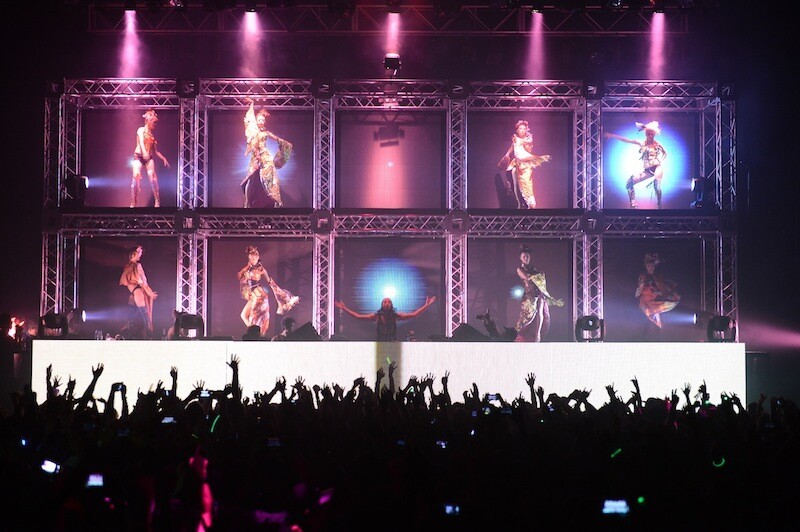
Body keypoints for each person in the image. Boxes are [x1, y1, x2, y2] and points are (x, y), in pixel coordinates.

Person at [241, 97, 293, 208]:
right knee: (250, 179)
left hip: (265, 157)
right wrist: (252, 103)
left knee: (271, 179)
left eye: (263, 120)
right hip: (256, 158)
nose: (261, 121)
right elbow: (250, 119)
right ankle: (247, 203)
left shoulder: (266, 133)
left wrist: (284, 144)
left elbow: (277, 139)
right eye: (259, 120)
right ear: (256, 121)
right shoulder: (254, 132)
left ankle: (276, 201)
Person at [237, 245, 300, 338]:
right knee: (243, 315)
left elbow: (270, 281)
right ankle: (255, 333)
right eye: (250, 258)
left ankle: (257, 334)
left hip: (260, 296)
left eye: (254, 258)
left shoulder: (261, 269)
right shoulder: (248, 268)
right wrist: (246, 268)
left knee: (256, 319)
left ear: (258, 258)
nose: (252, 260)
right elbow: (240, 277)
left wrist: (280, 294)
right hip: (254, 296)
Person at [605, 120, 667, 209]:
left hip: (657, 167)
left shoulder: (657, 144)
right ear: (646, 134)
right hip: (648, 170)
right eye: (649, 134)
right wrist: (613, 136)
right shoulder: (642, 143)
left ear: (654, 134)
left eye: (652, 134)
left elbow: (665, 153)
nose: (650, 136)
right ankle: (633, 204)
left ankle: (659, 205)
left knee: (656, 185)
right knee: (629, 182)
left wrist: (660, 160)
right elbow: (627, 140)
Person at [497, 120, 551, 209]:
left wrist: (524, 142)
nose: (522, 130)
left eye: (524, 129)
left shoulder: (528, 140)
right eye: (520, 129)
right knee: (514, 182)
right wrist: (505, 157)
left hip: (525, 166)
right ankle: (519, 204)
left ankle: (530, 204)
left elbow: (527, 151)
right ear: (517, 130)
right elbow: (511, 149)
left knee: (526, 184)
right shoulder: (515, 139)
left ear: (526, 130)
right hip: (516, 164)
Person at [515, 245, 564, 342]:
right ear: (520, 258)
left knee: (540, 313)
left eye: (527, 256)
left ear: (530, 257)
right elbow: (527, 278)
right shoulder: (520, 269)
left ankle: (537, 334)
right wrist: (537, 277)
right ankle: (520, 336)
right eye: (524, 256)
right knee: (527, 316)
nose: (526, 258)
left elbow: (541, 278)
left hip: (539, 293)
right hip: (529, 296)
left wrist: (539, 280)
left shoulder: (535, 270)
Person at [335, 296, 436, 342]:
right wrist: (344, 308)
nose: (387, 303)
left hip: (393, 343)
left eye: (389, 302)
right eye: (385, 302)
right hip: (380, 343)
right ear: (382, 304)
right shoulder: (376, 316)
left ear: (391, 304)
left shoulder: (396, 316)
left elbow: (414, 314)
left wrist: (426, 305)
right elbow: (358, 316)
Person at [131, 109, 170, 208]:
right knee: (136, 176)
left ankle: (157, 200)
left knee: (152, 177)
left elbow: (156, 151)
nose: (154, 124)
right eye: (153, 122)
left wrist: (163, 158)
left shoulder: (152, 137)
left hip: (149, 158)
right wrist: (144, 152)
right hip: (139, 156)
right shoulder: (140, 130)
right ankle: (133, 202)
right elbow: (141, 142)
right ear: (147, 121)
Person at [119, 245, 158, 339]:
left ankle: (148, 335)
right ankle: (135, 335)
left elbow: (143, 281)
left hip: (137, 291)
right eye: (139, 251)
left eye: (141, 252)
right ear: (134, 253)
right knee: (133, 316)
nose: (141, 253)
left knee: (144, 314)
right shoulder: (131, 265)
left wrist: (148, 291)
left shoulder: (136, 265)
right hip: (134, 292)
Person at [635, 253, 680, 332]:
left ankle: (658, 330)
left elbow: (662, 288)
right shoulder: (643, 277)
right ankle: (648, 330)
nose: (650, 268)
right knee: (649, 316)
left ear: (654, 267)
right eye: (648, 266)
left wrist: (659, 292)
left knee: (657, 322)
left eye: (652, 266)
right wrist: (639, 290)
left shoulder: (658, 277)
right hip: (645, 302)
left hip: (654, 302)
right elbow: (639, 291)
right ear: (646, 266)